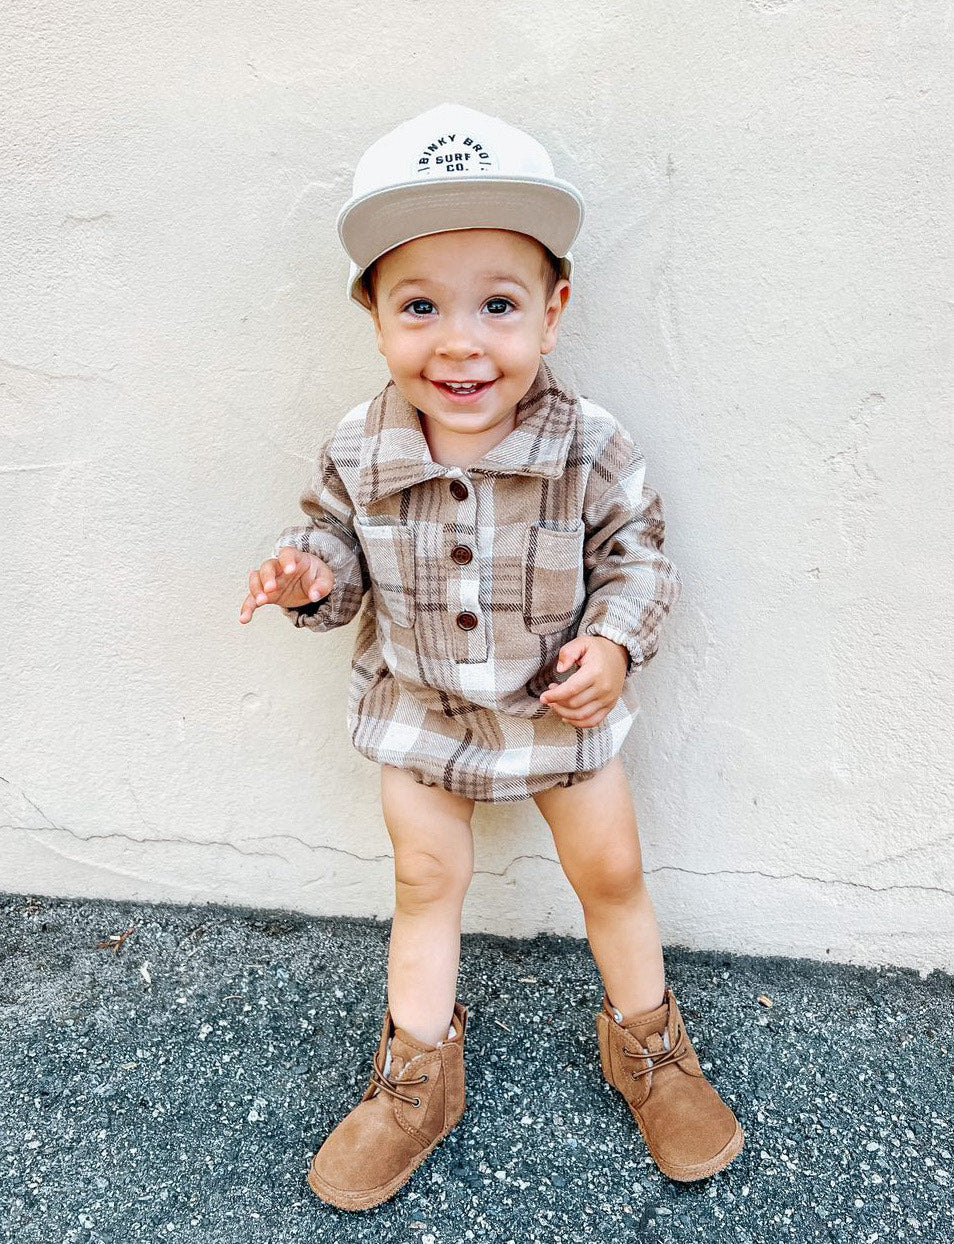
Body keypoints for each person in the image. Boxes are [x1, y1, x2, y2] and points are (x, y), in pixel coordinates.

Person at [239, 103, 744, 1211]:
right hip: (422, 722)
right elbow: (331, 540)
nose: (461, 341)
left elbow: (639, 561)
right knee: (425, 881)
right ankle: (416, 1078)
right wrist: (309, 575)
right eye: (420, 305)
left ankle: (649, 1047)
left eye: (498, 305)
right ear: (374, 314)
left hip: (564, 725)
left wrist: (612, 644)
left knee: (610, 875)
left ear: (554, 311)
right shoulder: (359, 448)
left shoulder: (590, 444)